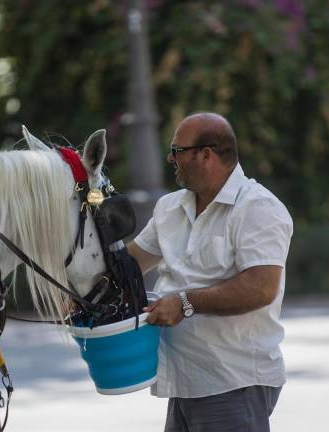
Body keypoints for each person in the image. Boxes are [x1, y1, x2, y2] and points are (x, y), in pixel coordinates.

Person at [126, 112, 293, 432]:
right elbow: (129, 265)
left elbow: (261, 287)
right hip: (184, 380)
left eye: (176, 151)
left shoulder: (257, 207)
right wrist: (83, 290)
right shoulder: (170, 208)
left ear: (206, 155)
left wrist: (185, 302)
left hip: (233, 381)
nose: (169, 158)